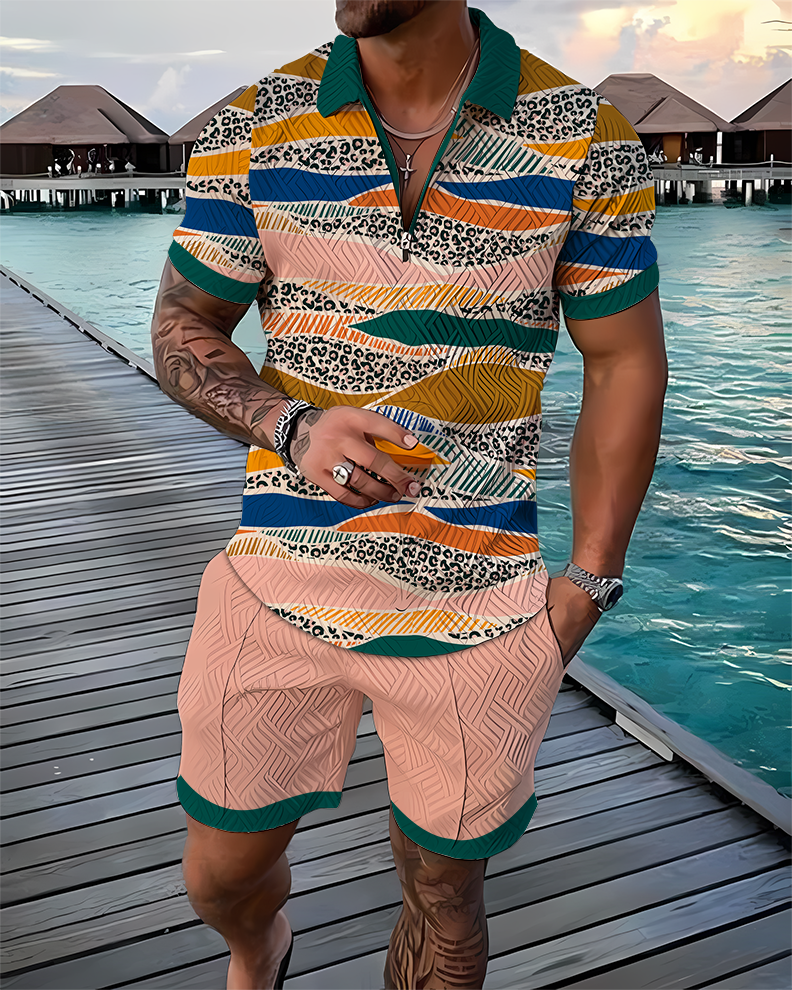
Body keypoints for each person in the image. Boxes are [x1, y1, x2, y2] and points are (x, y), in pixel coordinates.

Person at [150, 1, 667, 987]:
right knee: (219, 876)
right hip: (276, 583)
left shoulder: (583, 135)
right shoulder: (254, 124)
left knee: (447, 899)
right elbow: (184, 321)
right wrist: (288, 425)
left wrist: (590, 581)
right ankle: (260, 944)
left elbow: (624, 362)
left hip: (478, 602)